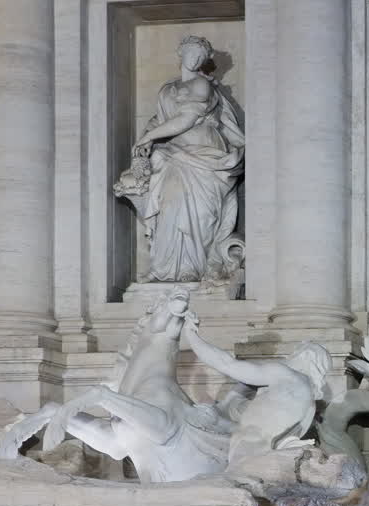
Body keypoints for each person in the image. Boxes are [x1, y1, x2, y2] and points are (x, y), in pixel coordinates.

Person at [117, 35, 245, 283]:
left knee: (199, 214)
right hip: (173, 156)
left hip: (205, 156)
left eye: (201, 56)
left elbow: (186, 119)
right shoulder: (168, 89)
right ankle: (164, 268)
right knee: (170, 205)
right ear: (181, 52)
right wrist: (147, 140)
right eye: (192, 52)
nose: (196, 59)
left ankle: (192, 268)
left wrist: (148, 138)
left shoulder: (201, 86)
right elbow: (160, 121)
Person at [182, 315, 331, 462]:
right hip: (264, 454)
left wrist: (191, 335)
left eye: (296, 353)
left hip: (246, 452)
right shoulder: (310, 405)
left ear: (305, 356)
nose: (289, 358)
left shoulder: (285, 374)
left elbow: (226, 364)